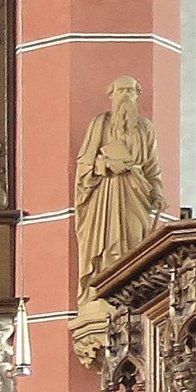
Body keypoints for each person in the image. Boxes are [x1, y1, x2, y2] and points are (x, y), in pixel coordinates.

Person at [74, 75, 165, 308]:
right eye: (121, 91)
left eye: (131, 91)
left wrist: (158, 192)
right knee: (104, 245)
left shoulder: (145, 128)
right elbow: (85, 165)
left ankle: (132, 294)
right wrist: (105, 165)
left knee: (135, 242)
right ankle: (102, 293)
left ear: (137, 95)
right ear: (111, 95)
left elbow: (152, 168)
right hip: (105, 195)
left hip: (136, 195)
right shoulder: (100, 124)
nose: (125, 96)